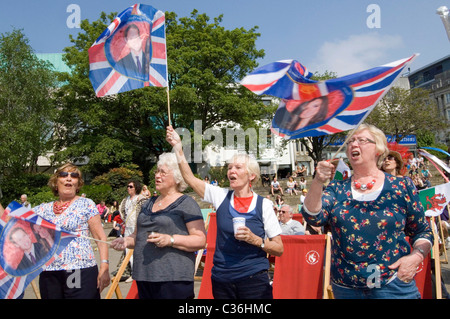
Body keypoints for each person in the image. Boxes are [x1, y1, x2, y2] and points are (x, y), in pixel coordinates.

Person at [302, 124, 433, 299]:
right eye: (351, 141)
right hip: (346, 288)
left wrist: (415, 258)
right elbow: (313, 217)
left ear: (378, 149)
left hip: (392, 284)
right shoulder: (336, 188)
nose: (354, 144)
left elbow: (422, 231)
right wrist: (318, 181)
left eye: (362, 140)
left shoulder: (401, 186)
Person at [166, 125, 283, 299]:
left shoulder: (263, 205)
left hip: (254, 279)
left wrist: (256, 240)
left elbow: (279, 248)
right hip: (222, 278)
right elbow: (190, 179)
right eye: (229, 168)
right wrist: (178, 148)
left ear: (251, 176)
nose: (231, 171)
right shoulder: (220, 196)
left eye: (238, 168)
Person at [111, 152, 206, 299]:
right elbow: (137, 236)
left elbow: (200, 240)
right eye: (157, 171)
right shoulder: (147, 203)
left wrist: (171, 240)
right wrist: (125, 241)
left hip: (173, 278)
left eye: (163, 172)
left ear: (177, 177)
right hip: (144, 275)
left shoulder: (187, 204)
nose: (157, 175)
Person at [32, 163, 110, 299]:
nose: (69, 178)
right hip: (50, 272)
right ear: (56, 182)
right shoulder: (42, 209)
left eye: (74, 176)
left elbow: (100, 237)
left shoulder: (86, 204)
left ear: (78, 184)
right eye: (64, 174)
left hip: (77, 270)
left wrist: (105, 264)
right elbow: (10, 220)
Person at [116, 179, 146, 281]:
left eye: (131, 186)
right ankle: (133, 273)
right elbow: (122, 210)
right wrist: (123, 220)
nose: (128, 188)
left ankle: (140, 272)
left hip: (137, 227)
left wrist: (141, 198)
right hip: (128, 226)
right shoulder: (126, 200)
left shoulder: (140, 198)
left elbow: (145, 207)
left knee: (139, 250)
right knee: (128, 250)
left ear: (136, 188)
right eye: (128, 186)